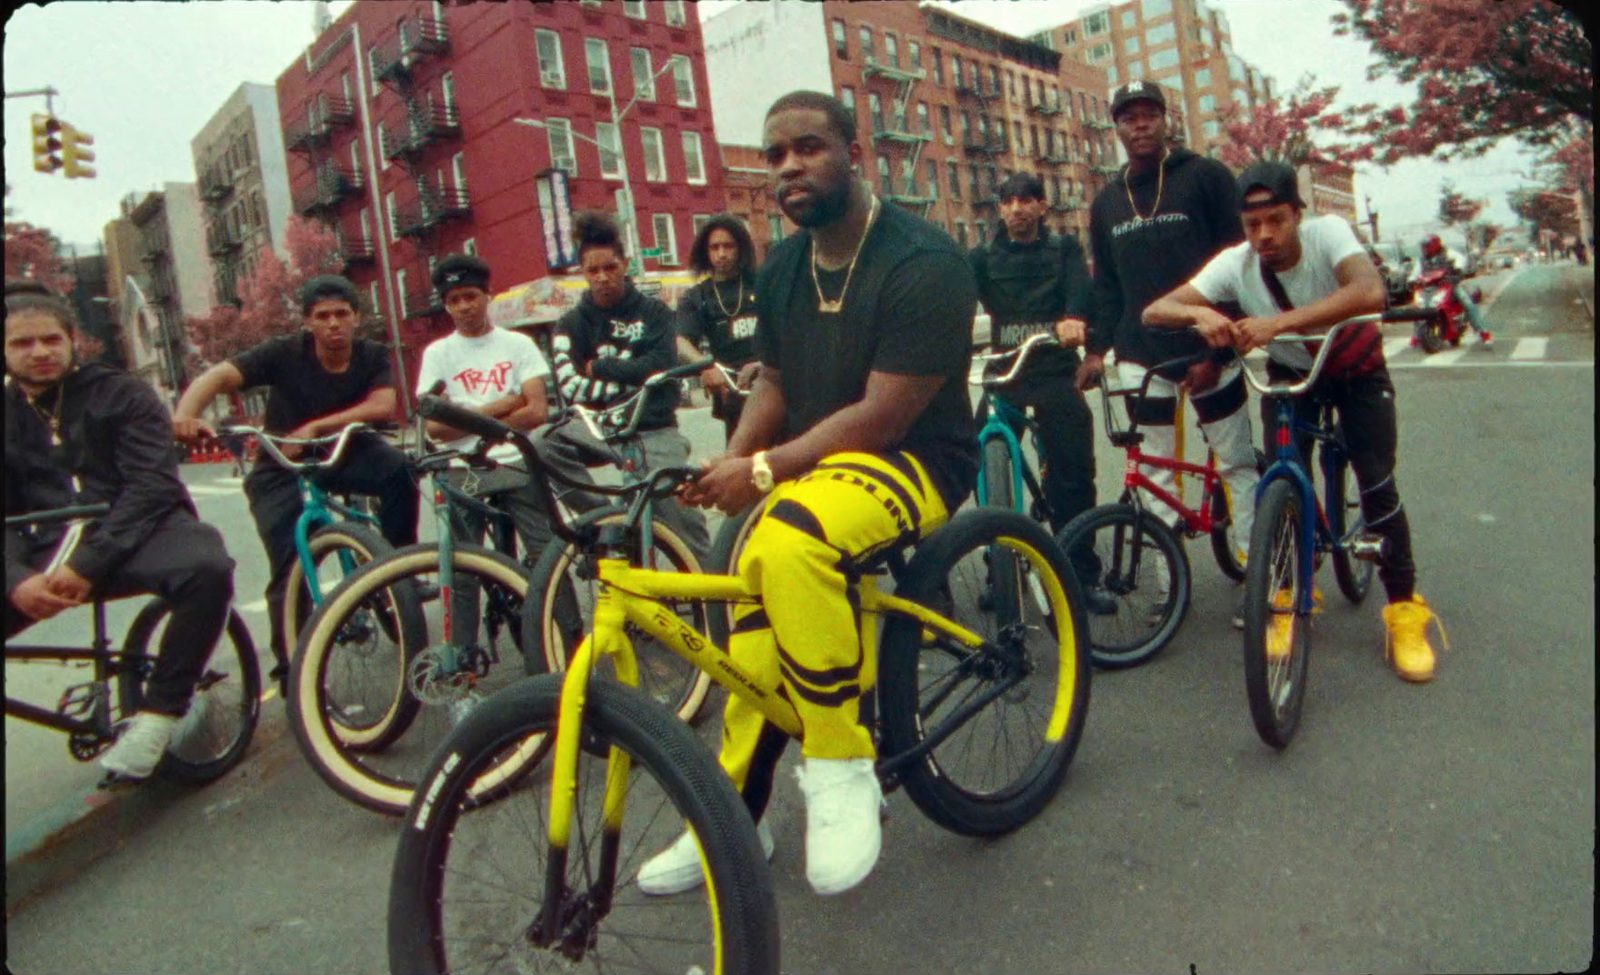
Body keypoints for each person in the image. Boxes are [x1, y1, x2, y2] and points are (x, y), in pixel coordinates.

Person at [641, 90, 979, 897]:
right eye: (775, 153)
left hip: (913, 456)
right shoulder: (786, 263)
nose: (788, 165)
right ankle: (737, 809)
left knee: (791, 542)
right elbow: (780, 382)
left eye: (809, 147)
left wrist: (763, 472)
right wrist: (735, 456)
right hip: (818, 466)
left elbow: (884, 411)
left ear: (854, 155)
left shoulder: (924, 261)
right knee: (749, 586)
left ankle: (839, 764)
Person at [1142, 160, 1444, 682]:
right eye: (1253, 224)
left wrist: (1275, 323)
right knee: (1281, 481)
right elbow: (1154, 310)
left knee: (1376, 482)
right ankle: (1286, 595)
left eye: (1276, 220)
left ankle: (1404, 611)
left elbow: (1368, 291)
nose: (1264, 235)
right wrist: (1200, 314)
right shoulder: (1235, 262)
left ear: (1298, 215)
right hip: (1291, 373)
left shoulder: (1330, 235)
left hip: (1355, 370)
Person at [5, 282, 236, 783]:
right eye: (22, 343)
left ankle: (159, 716)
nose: (40, 352)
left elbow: (152, 485)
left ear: (72, 340)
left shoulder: (122, 393)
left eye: (50, 339)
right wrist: (15, 578)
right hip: (41, 546)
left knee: (207, 567)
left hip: (137, 530)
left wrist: (90, 562)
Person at [172, 274, 419, 694]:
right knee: (288, 566)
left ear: (356, 317)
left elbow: (383, 405)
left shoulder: (371, 354)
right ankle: (292, 670)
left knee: (400, 470)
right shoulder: (281, 353)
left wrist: (318, 426)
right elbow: (217, 377)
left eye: (342, 313)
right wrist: (185, 415)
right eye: (322, 316)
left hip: (345, 449)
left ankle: (400, 567)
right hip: (281, 462)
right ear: (307, 322)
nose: (334, 323)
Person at [1081, 80, 1261, 621]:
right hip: (1142, 356)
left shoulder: (1204, 177)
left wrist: (1221, 354)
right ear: (1115, 127)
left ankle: (1259, 577)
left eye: (1149, 114)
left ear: (1165, 120)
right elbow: (1108, 286)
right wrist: (1095, 351)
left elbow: (1240, 266)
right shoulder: (1107, 202)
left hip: (1210, 346)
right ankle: (1169, 586)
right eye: (1128, 117)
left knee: (1234, 461)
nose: (1139, 125)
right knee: (1154, 470)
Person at [968, 172, 1112, 613]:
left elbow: (1081, 290)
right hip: (1006, 376)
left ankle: (1080, 575)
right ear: (999, 210)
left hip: (1053, 372)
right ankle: (1000, 572)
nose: (1017, 209)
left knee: (1073, 472)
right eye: (1008, 201)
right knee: (979, 458)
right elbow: (956, 300)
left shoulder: (1063, 249)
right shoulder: (981, 258)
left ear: (1042, 207)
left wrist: (1073, 318)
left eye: (1026, 200)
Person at [550, 212, 710, 559]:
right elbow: (570, 387)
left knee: (682, 526)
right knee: (543, 442)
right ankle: (606, 517)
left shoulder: (653, 311)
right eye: (593, 271)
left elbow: (660, 367)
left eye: (610, 267)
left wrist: (602, 367)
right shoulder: (571, 323)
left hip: (652, 427)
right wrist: (633, 379)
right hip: (600, 428)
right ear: (583, 273)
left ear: (624, 264)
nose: (603, 278)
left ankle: (714, 591)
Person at [415, 253, 559, 561]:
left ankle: (559, 611)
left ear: (486, 296)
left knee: (549, 554)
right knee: (463, 565)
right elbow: (436, 429)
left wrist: (463, 419)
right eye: (454, 300)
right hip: (461, 464)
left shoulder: (518, 344)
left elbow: (536, 411)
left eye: (471, 296)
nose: (464, 305)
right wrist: (504, 404)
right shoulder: (437, 354)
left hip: (515, 459)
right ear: (446, 305)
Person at [676, 214, 762, 443]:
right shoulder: (698, 296)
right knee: (740, 462)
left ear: (740, 248)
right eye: (714, 247)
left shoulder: (763, 282)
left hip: (771, 382)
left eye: (728, 246)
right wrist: (706, 366)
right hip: (732, 391)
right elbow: (681, 341)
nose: (721, 254)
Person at [1417, 234, 1493, 347]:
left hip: (1449, 285)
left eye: (1426, 246)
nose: (1424, 249)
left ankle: (1483, 332)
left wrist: (1458, 271)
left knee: (1468, 304)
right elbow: (1416, 272)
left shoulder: (1448, 253)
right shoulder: (1422, 260)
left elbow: (1460, 261)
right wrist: (1412, 280)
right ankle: (1416, 336)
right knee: (1418, 307)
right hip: (1430, 288)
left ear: (1434, 245)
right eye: (1423, 246)